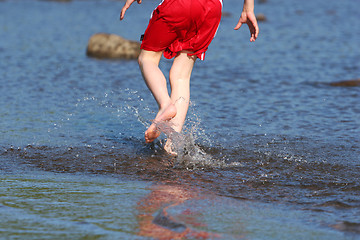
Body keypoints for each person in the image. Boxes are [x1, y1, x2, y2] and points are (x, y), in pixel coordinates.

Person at [120, 0, 259, 154]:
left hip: (179, 5)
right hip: (211, 10)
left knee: (147, 59)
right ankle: (172, 144)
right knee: (181, 76)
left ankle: (165, 105)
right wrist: (248, 8)